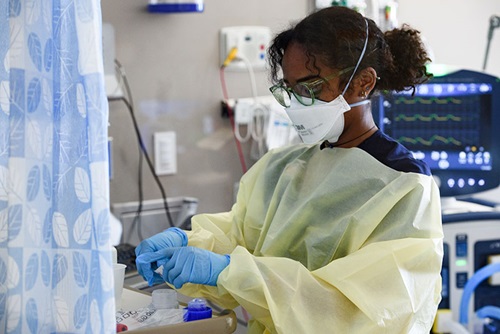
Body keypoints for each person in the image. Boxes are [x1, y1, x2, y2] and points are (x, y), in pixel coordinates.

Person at [135, 6, 444, 333]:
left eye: (310, 88)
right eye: (291, 89)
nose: (297, 103)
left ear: (363, 83)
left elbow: (351, 311)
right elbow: (240, 234)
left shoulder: (404, 188)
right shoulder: (282, 168)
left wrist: (231, 270)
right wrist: (189, 244)